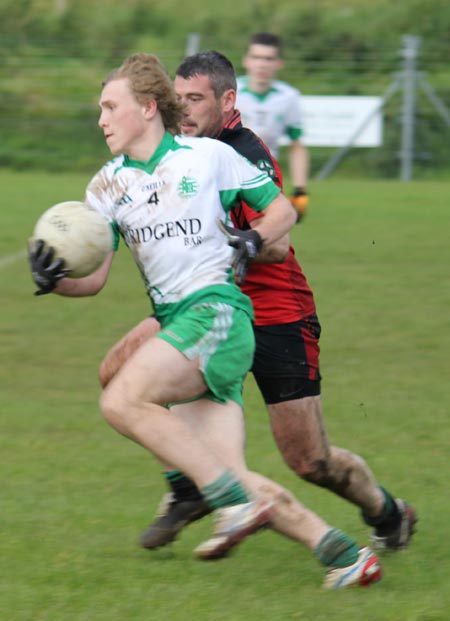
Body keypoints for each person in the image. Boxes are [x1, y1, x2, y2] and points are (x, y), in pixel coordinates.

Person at [27, 52, 382, 590]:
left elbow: (281, 210)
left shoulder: (207, 157)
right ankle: (345, 555)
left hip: (216, 312)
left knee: (121, 399)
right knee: (226, 471)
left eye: (109, 106)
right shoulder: (105, 187)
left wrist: (255, 237)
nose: (100, 119)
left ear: (147, 108)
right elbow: (93, 281)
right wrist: (55, 279)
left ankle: (226, 503)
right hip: (178, 321)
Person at [98, 50, 416, 561]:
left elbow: (278, 244)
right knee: (118, 371)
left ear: (228, 101)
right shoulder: (173, 148)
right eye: (177, 99)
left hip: (274, 312)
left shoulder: (243, 152)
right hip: (201, 305)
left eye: (195, 100)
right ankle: (188, 488)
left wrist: (243, 239)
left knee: (309, 460)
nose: (184, 109)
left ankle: (386, 513)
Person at [236, 32, 310, 221]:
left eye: (268, 59)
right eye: (256, 57)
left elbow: (297, 145)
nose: (262, 64)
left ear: (278, 64)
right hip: (231, 176)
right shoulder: (231, 91)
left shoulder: (288, 97)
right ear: (246, 61)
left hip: (267, 179)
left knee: (270, 243)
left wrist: (300, 190)